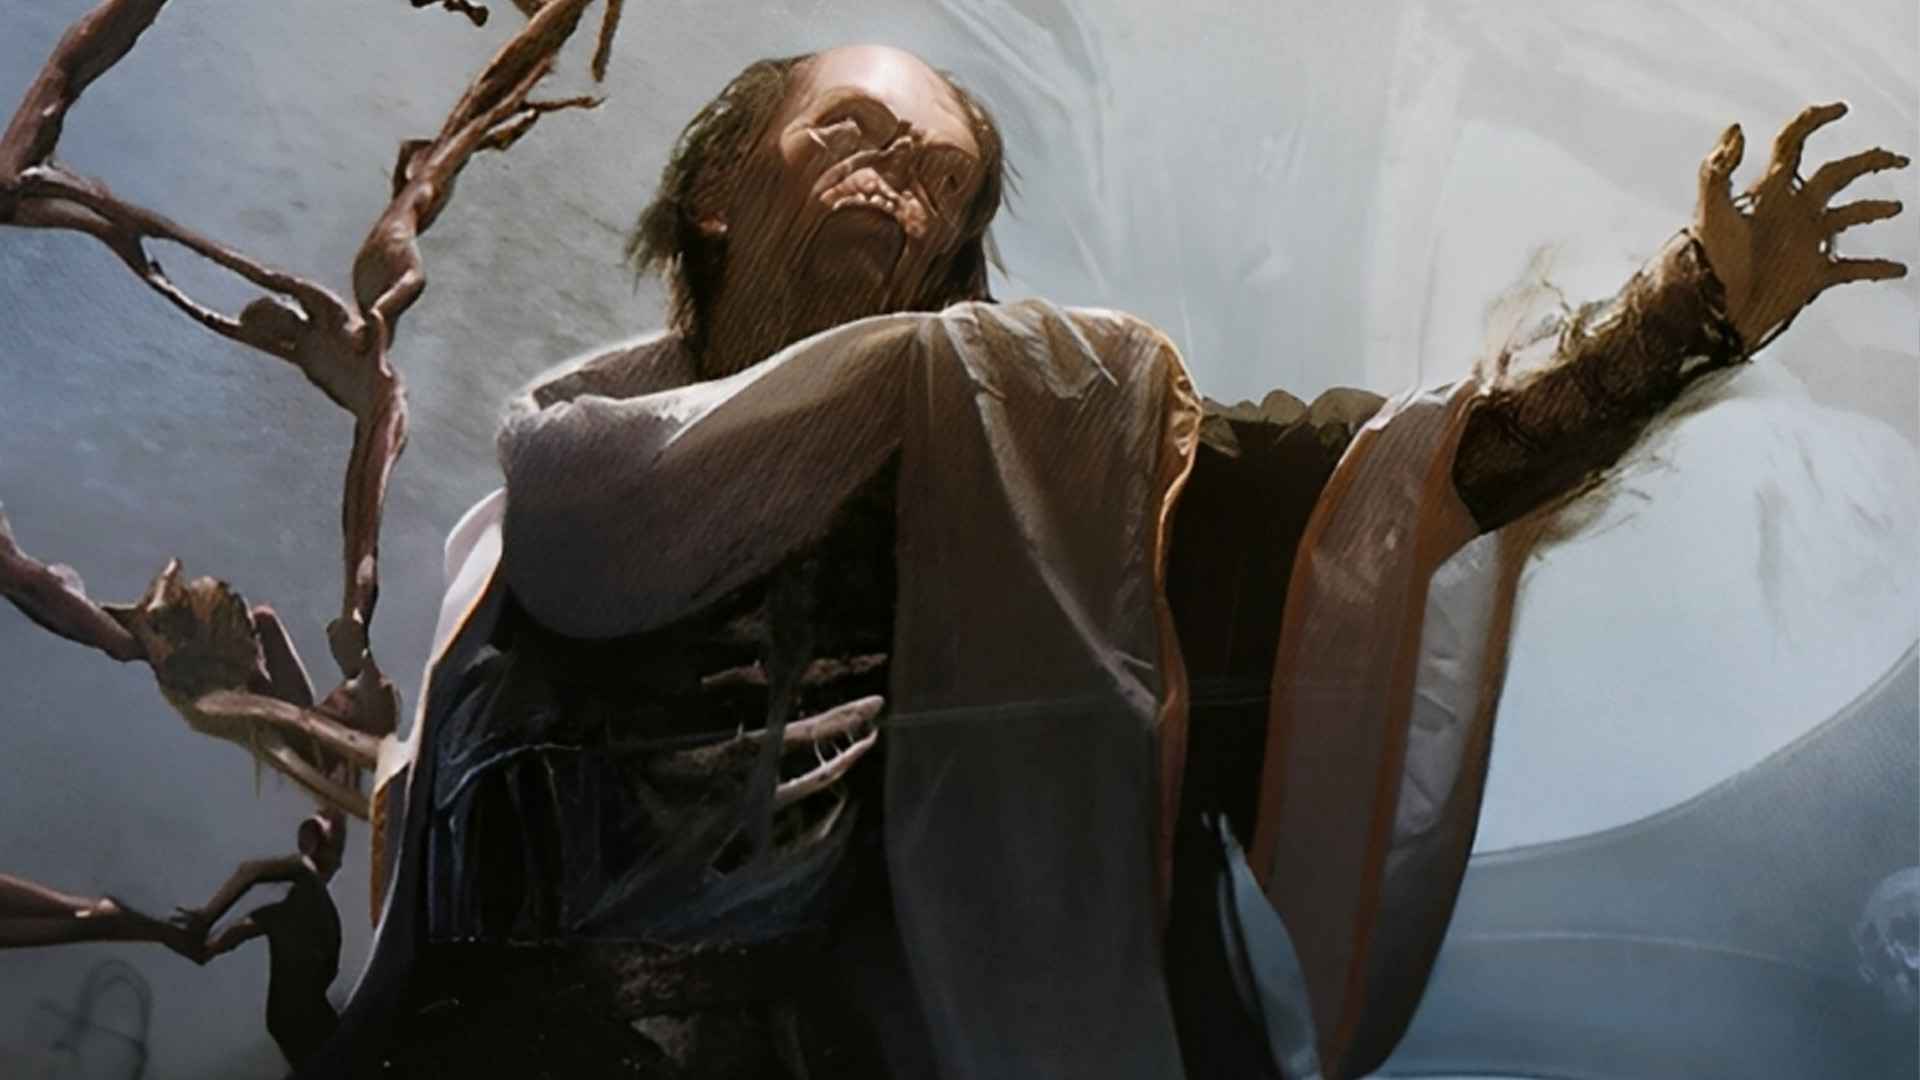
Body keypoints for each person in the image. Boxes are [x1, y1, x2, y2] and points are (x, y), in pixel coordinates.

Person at [310, 44, 1906, 1080]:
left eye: (938, 176)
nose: (898, 179)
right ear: (721, 191)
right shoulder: (512, 537)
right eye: (853, 132)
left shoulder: (1026, 444)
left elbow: (1382, 485)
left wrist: (1687, 313)